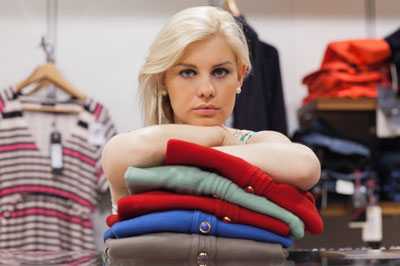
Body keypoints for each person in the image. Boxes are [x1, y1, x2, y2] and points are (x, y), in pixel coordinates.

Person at [101, 6, 321, 209]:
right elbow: (117, 153)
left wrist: (215, 143)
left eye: (220, 72)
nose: (206, 90)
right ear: (162, 80)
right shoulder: (136, 148)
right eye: (188, 72)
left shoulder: (260, 141)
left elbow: (306, 167)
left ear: (240, 77)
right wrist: (220, 137)